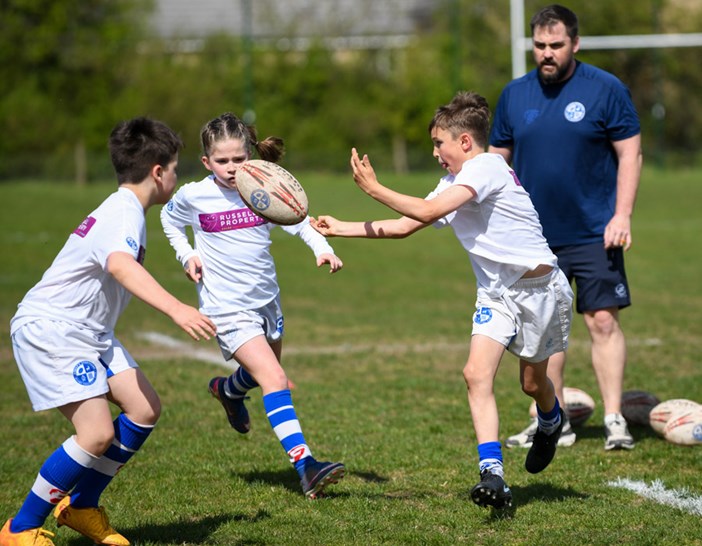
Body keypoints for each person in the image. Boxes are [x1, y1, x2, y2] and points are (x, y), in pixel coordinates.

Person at [311, 91, 573, 510]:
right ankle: (493, 474)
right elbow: (405, 225)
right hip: (496, 294)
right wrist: (340, 227)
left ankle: (550, 419)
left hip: (540, 291)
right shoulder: (454, 182)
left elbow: (429, 212)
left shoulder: (487, 167)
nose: (435, 153)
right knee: (475, 374)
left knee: (532, 383)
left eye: (439, 143)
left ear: (465, 141)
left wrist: (375, 188)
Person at [1, 118, 217, 546]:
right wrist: (177, 308)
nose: (177, 176)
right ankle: (19, 530)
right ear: (158, 171)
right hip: (55, 329)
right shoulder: (123, 212)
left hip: (90, 332)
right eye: (175, 168)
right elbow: (120, 265)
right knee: (96, 434)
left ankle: (81, 507)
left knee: (144, 408)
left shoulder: (125, 209)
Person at [160, 112, 345, 499]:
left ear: (251, 156)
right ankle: (306, 467)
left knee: (263, 374)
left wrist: (322, 249)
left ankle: (228, 390)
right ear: (206, 162)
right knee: (275, 378)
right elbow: (168, 218)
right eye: (222, 161)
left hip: (266, 300)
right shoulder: (194, 195)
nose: (231, 168)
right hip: (226, 308)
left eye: (239, 159)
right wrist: (187, 255)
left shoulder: (262, 188)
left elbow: (299, 220)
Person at [488, 4, 643, 451]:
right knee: (542, 333)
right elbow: (495, 164)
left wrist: (622, 214)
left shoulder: (606, 89)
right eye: (539, 45)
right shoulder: (514, 95)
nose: (547, 53)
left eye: (556, 45)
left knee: (602, 321)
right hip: (533, 238)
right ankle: (551, 423)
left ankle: (614, 419)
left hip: (595, 230)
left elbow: (630, 153)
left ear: (575, 43)